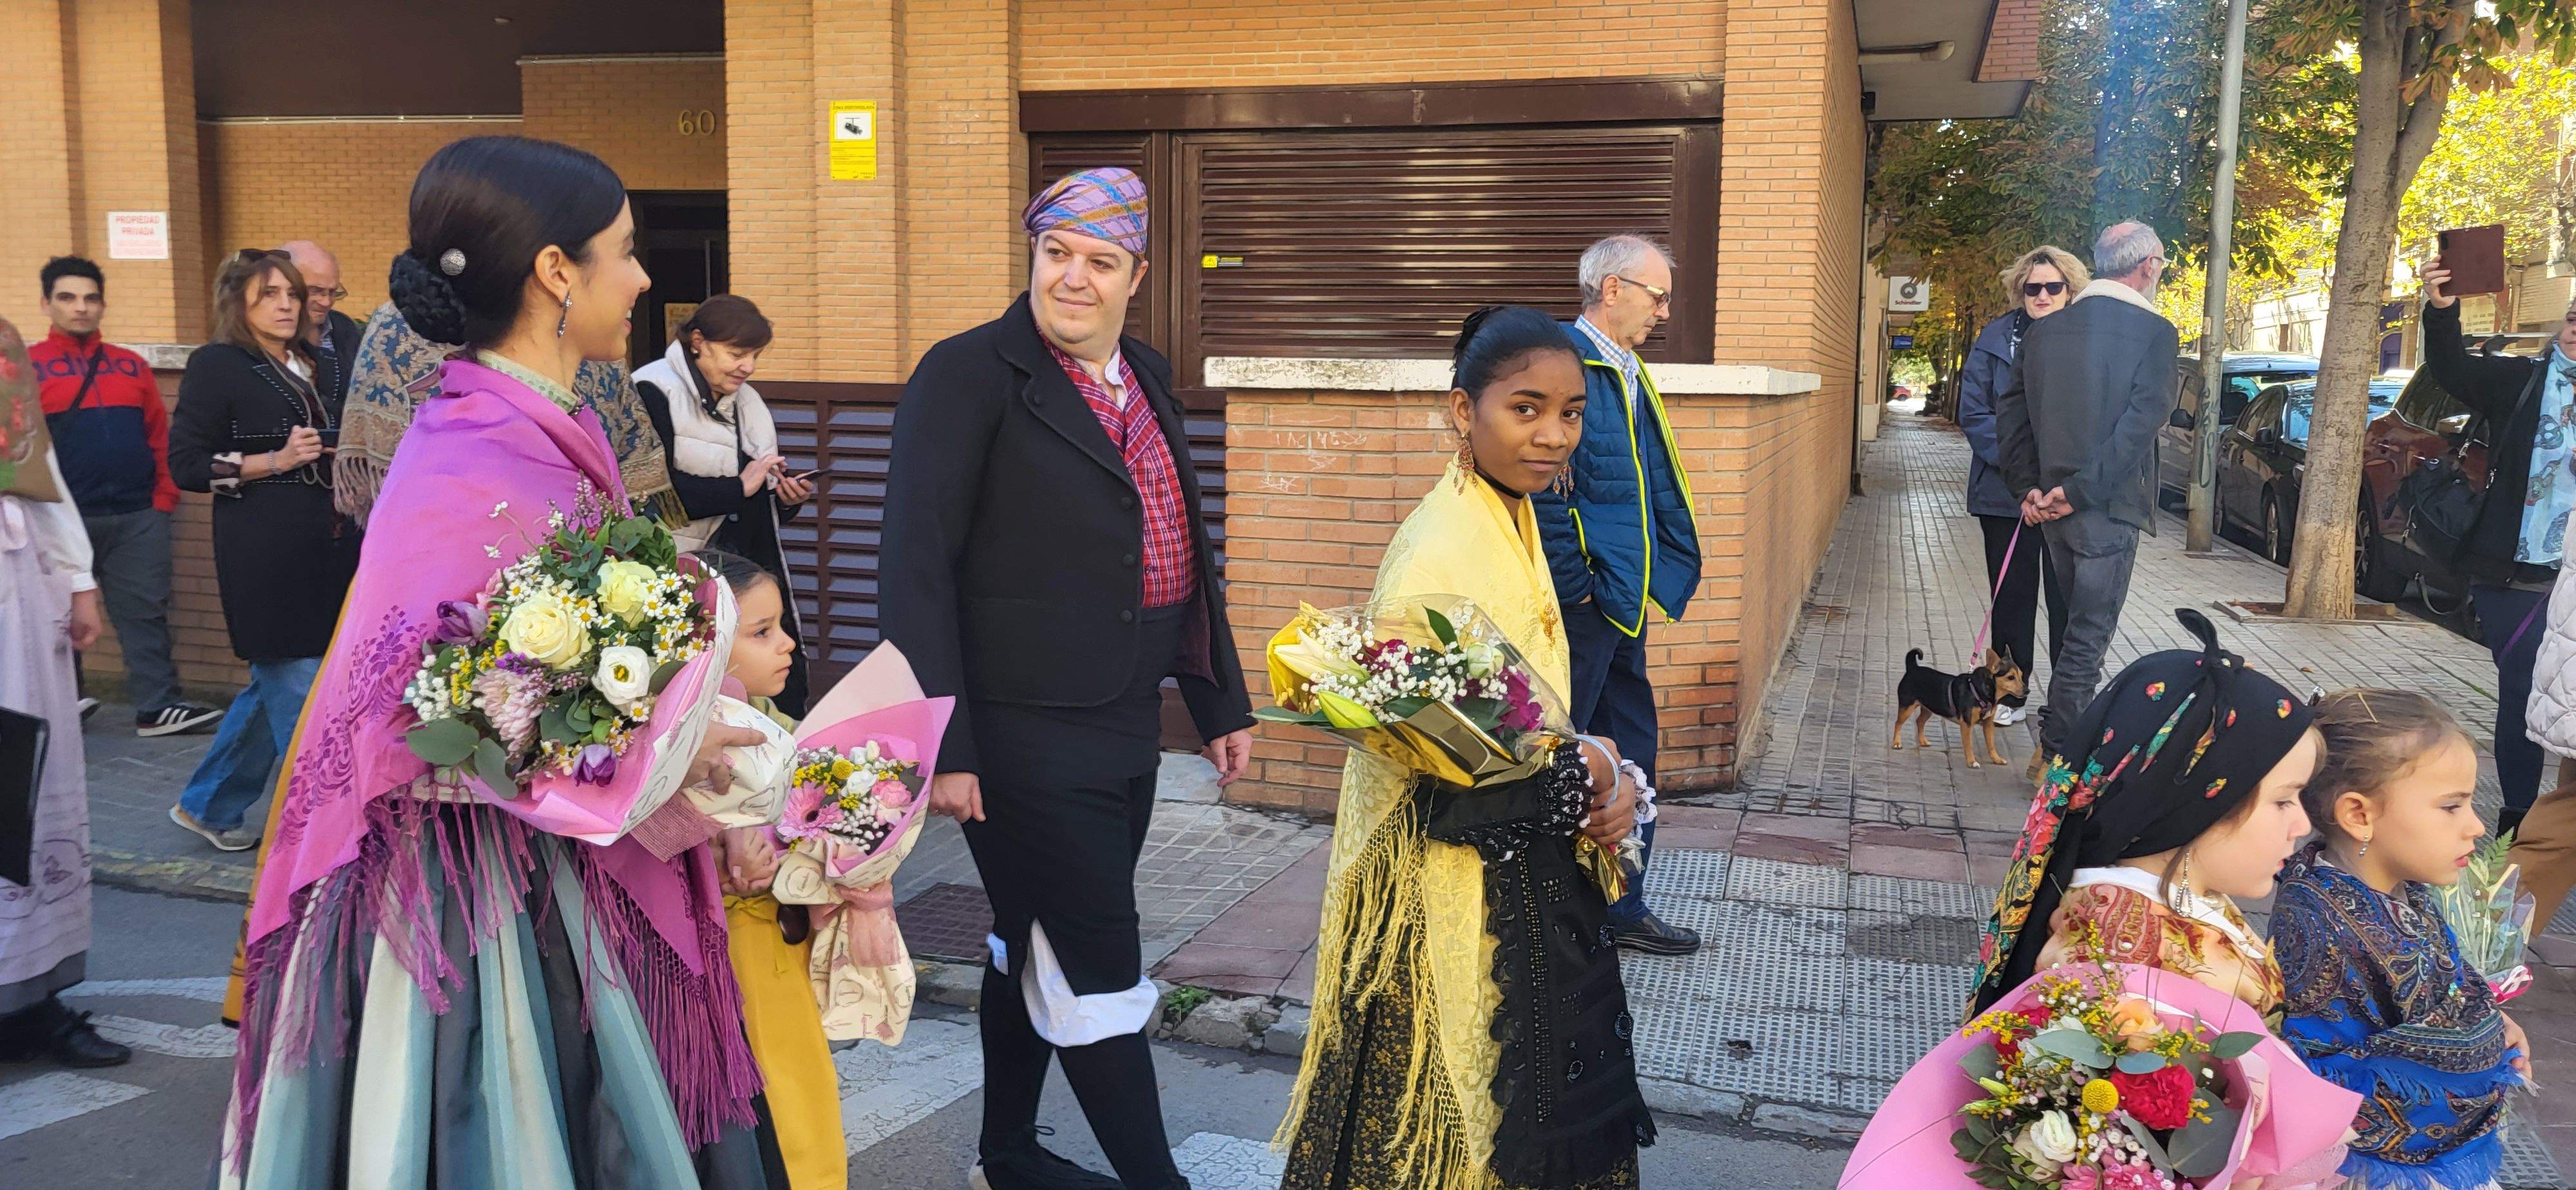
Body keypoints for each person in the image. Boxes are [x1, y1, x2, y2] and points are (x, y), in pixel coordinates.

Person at [220, 135, 778, 1187]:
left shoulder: (549, 429)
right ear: (557, 273)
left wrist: (669, 718)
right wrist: (662, 731)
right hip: (478, 904)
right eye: (625, 250)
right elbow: (441, 712)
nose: (645, 278)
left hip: (555, 863)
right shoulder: (471, 451)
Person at [880, 165, 1253, 1190]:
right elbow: (916, 570)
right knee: (1093, 953)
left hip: (1125, 715)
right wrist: (943, 747)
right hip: (1020, 731)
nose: (1073, 278)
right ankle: (1157, 1180)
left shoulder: (1146, 372)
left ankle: (1004, 1155)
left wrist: (1216, 696)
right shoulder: (967, 375)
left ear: (1137, 272)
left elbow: (1184, 539)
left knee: (1026, 934)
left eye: (1099, 260)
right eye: (1056, 253)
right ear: (1033, 254)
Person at [1278, 306, 1653, 1189]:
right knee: (1451, 1128)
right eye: (1526, 409)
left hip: (1517, 875)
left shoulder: (1507, 511)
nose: (1554, 435)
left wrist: (1600, 764)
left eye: (1570, 414)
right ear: (1462, 411)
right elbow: (1452, 769)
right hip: (1450, 891)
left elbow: (1527, 725)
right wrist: (1594, 769)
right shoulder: (1438, 550)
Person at [1969, 607, 2320, 1022]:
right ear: (2192, 806)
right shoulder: (2127, 960)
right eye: (2284, 801)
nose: (2303, 825)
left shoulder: (2176, 899)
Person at [2275, 690, 2528, 1190]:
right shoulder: (2324, 924)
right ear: (2360, 815)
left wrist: (2490, 1015)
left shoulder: (2398, 890)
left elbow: (2446, 986)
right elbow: (2327, 1078)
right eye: (2452, 807)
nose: (2476, 826)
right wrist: (2479, 1040)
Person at [1533, 234, 1703, 957]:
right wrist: (1581, 585)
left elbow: (1646, 479)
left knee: (1630, 750)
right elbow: (1542, 484)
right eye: (1656, 294)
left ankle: (1619, 904)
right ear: (1611, 289)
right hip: (1590, 603)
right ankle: (1553, 910)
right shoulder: (1565, 365)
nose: (1664, 310)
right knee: (1564, 755)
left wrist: (1657, 571)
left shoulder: (1625, 368)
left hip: (1621, 601)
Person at [163, 251, 362, 852]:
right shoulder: (217, 365)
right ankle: (326, 838)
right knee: (302, 693)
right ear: (238, 303)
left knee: (278, 680)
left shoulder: (312, 362)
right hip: (262, 553)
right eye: (269, 294)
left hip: (327, 547)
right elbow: (187, 467)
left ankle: (209, 805)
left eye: (293, 295)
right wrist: (270, 462)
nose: (285, 305)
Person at [1996, 222, 2181, 778]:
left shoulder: (2044, 330)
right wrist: (2075, 493)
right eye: (2162, 264)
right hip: (2103, 509)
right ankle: (2057, 762)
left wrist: (2030, 488)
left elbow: (2013, 416)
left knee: (2076, 631)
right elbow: (2142, 424)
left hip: (2053, 509)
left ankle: (2057, 749)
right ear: (2148, 265)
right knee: (2085, 641)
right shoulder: (2155, 332)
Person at [0, 316, 131, 1069]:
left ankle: (32, 1001)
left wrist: (79, 579)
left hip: (21, 599)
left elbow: (34, 468)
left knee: (29, 783)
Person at [29, 255, 221, 738]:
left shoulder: (130, 365)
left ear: (103, 304)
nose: (81, 308)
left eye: (91, 298)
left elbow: (160, 436)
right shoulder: (25, 369)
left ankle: (157, 708)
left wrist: (163, 500)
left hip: (138, 515)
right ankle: (62, 704)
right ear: (46, 304)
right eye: (68, 298)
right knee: (55, 614)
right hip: (59, 518)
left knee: (146, 613)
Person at [700, 551, 844, 1190]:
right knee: (783, 1102)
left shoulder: (772, 723)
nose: (787, 644)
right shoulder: (703, 739)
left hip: (774, 942)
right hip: (743, 950)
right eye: (761, 633)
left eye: (780, 625)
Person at [2417, 263, 2568, 842]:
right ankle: (2520, 814)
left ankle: (2559, 821)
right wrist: (2442, 307)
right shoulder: (2523, 381)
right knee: (2526, 685)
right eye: (2573, 318)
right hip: (2517, 572)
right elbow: (2451, 367)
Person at [334, 298, 683, 529]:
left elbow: (624, 443)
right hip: (453, 529)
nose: (640, 280)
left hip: (582, 546)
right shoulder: (404, 322)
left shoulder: (584, 328)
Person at [636, 296, 816, 715]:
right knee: (703, 690)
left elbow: (758, 495)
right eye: (737, 353)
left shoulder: (748, 401)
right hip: (689, 570)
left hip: (752, 567)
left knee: (783, 685)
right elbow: (650, 498)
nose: (747, 366)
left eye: (754, 355)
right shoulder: (651, 389)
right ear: (698, 342)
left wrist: (786, 498)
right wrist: (739, 486)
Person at [1955, 246, 2085, 728]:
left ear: (2070, 291)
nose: (2044, 295)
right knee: (2012, 598)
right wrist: (2023, 480)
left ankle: (2067, 703)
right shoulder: (1994, 341)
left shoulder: (2086, 342)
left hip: (2065, 499)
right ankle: (2011, 696)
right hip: (2005, 497)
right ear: (2020, 291)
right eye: (2034, 288)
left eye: (2054, 287)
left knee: (2066, 602)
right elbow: (1975, 414)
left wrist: (2060, 486)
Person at [278, 240, 362, 399]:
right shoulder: (274, 337)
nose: (326, 302)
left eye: (333, 292)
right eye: (316, 291)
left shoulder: (345, 328)